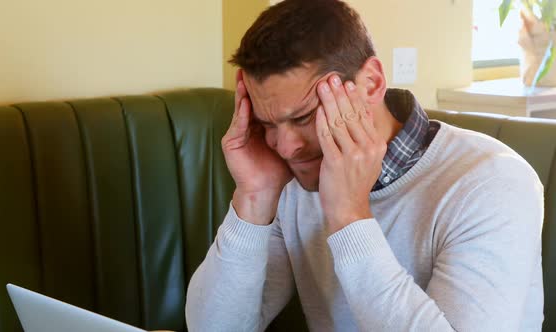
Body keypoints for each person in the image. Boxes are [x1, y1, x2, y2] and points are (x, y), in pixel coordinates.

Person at [185, 0, 544, 331]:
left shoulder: (492, 181)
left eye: (306, 116)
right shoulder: (291, 178)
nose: (285, 147)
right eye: (267, 124)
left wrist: (349, 215)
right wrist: (255, 197)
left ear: (371, 83)